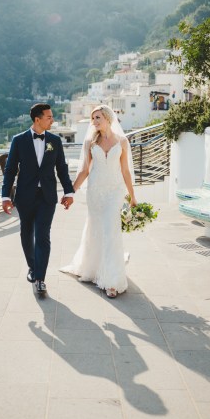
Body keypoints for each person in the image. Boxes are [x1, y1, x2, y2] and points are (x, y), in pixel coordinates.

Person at [60, 104, 137, 298]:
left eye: (97, 118)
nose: (94, 122)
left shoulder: (122, 142)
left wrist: (132, 196)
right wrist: (70, 192)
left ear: (108, 119)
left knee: (111, 230)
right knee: (96, 228)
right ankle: (93, 268)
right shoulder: (90, 143)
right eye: (92, 118)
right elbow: (85, 170)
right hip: (95, 192)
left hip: (114, 191)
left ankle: (112, 281)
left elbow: (126, 171)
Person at [1, 103, 74, 295]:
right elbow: (10, 170)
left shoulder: (55, 141)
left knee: (42, 236)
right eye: (49, 117)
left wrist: (69, 192)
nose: (52, 120)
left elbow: (62, 168)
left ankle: (40, 278)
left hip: (47, 197)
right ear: (37, 119)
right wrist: (5, 196)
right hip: (25, 196)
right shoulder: (18, 140)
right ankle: (32, 266)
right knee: (26, 232)